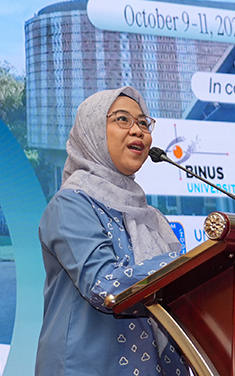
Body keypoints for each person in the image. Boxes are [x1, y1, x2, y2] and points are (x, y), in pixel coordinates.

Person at [35, 86, 188, 376]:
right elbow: (104, 285)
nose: (138, 130)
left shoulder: (149, 218)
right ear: (92, 131)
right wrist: (187, 266)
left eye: (143, 123)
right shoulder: (71, 204)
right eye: (122, 119)